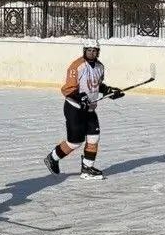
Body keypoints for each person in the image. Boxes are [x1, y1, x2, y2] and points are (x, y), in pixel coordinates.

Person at [43, 39, 123, 180]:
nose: (91, 53)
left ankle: (87, 168)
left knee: (94, 137)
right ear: (84, 51)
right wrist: (80, 98)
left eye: (94, 51)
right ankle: (52, 157)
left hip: (90, 109)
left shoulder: (100, 67)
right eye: (89, 50)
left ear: (98, 52)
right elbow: (68, 90)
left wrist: (110, 91)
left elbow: (97, 85)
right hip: (74, 109)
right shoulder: (77, 66)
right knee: (75, 142)